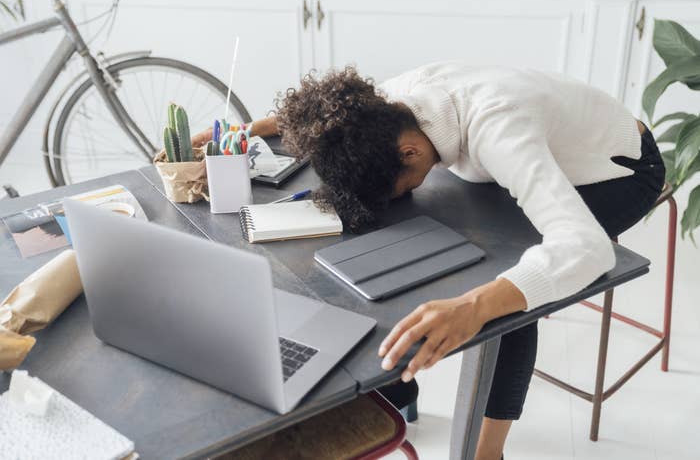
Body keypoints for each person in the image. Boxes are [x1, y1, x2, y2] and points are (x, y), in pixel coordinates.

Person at [192, 63, 664, 460]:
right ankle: (400, 392)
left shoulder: (500, 129)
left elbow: (585, 248)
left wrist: (474, 306)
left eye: (405, 178)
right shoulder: (393, 107)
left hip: (617, 170)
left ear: (411, 151)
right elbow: (335, 115)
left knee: (513, 290)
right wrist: (246, 131)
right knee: (391, 228)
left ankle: (485, 453)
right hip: (527, 151)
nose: (407, 187)